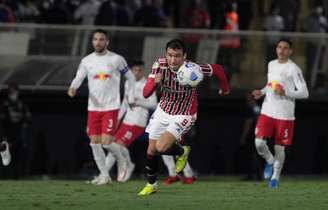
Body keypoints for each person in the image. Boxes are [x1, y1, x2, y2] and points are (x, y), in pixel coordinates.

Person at [138, 39, 230, 196]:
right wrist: (154, 83)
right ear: (165, 54)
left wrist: (225, 89)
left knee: (161, 147)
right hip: (163, 110)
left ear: (184, 56)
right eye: (170, 55)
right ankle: (151, 185)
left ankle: (182, 150)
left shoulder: (194, 69)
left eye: (177, 56)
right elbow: (145, 93)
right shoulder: (159, 65)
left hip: (184, 113)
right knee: (151, 150)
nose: (173, 60)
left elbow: (218, 70)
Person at [68, 29, 136, 185]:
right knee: (94, 143)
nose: (98, 42)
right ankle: (105, 176)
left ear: (107, 42)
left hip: (111, 107)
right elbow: (79, 77)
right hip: (93, 108)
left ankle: (122, 160)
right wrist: (73, 87)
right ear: (92, 41)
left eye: (101, 39)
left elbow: (130, 77)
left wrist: (130, 96)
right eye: (95, 39)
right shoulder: (87, 60)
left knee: (106, 142)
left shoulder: (116, 59)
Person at [251, 38, 309, 188]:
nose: (281, 50)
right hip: (268, 110)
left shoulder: (294, 69)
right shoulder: (271, 64)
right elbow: (271, 84)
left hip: (285, 114)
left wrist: (286, 92)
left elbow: (304, 93)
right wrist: (261, 92)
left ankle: (275, 178)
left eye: (285, 48)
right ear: (276, 49)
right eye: (279, 47)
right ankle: (269, 161)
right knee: (259, 143)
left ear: (290, 51)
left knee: (279, 148)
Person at [104, 60, 157, 182]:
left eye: (139, 70)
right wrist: (118, 118)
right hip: (127, 120)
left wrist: (138, 102)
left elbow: (154, 105)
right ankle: (104, 174)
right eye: (134, 70)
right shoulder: (128, 83)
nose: (137, 73)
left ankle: (129, 165)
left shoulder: (149, 84)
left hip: (138, 122)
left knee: (118, 145)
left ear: (143, 71)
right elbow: (125, 102)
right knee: (112, 146)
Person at [0, 82, 30, 178]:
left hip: (19, 137)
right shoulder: (5, 104)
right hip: (8, 136)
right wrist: (4, 137)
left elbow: (28, 119)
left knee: (19, 159)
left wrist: (24, 131)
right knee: (7, 159)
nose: (13, 93)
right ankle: (5, 177)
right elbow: (2, 121)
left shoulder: (21, 105)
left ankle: (18, 177)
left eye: (14, 90)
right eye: (11, 91)